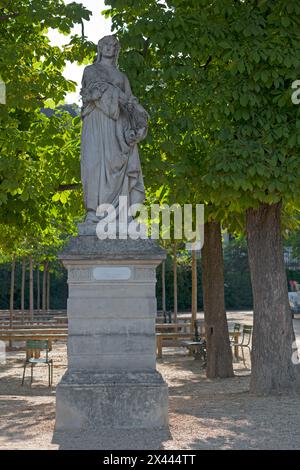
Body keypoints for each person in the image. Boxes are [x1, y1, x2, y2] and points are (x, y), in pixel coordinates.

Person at [80, 35, 149, 225]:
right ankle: (93, 211)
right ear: (100, 48)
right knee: (93, 164)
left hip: (117, 126)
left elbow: (130, 102)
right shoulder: (91, 70)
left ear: (117, 50)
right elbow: (92, 91)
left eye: (113, 45)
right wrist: (117, 96)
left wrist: (139, 122)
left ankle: (120, 212)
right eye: (106, 45)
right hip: (96, 120)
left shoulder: (121, 77)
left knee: (117, 165)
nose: (110, 48)